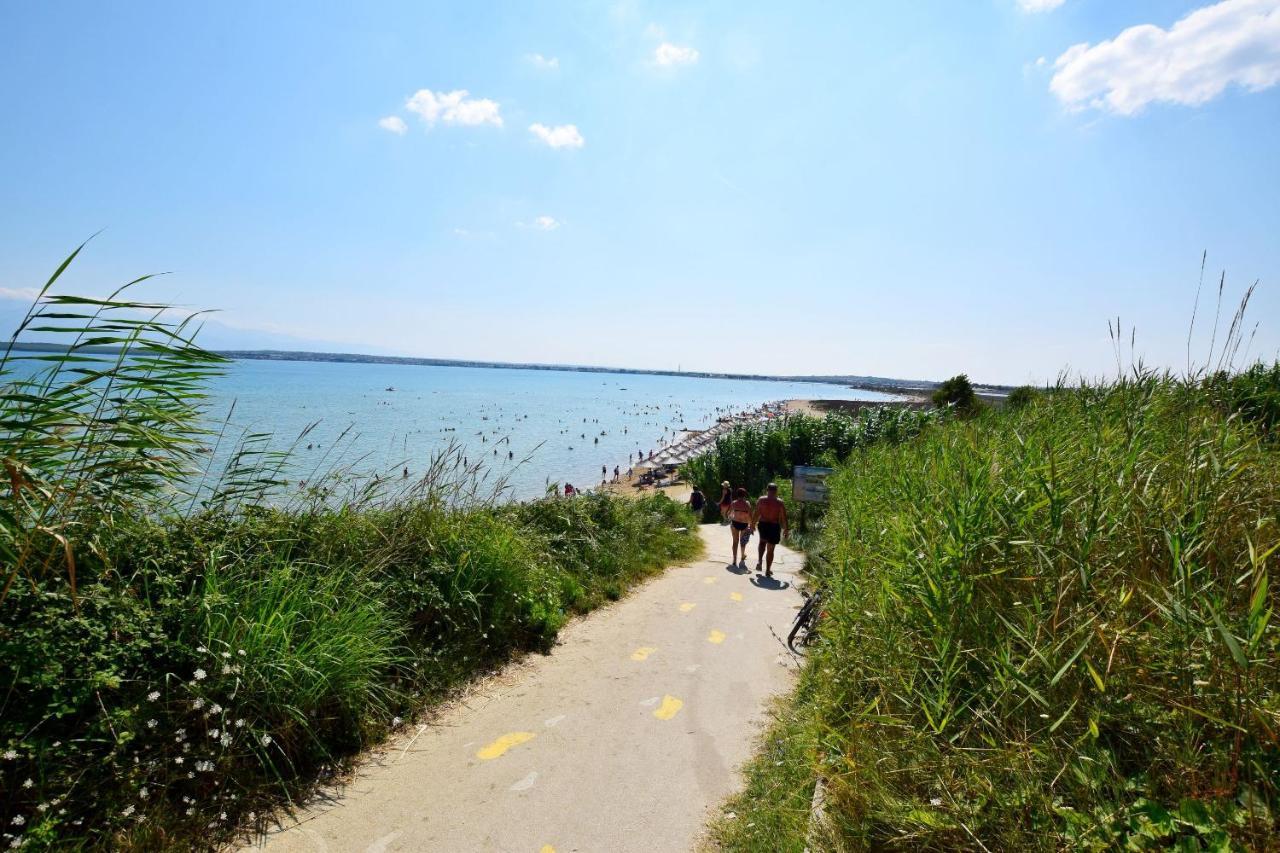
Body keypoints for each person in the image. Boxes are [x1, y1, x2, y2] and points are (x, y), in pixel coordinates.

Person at [753, 482, 789, 577]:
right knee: (771, 549)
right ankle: (768, 570)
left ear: (767, 490)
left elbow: (756, 513)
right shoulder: (779, 502)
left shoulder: (761, 500)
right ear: (776, 491)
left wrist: (752, 525)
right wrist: (786, 529)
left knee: (762, 543)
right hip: (774, 526)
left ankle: (760, 562)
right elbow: (784, 517)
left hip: (763, 524)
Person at [728, 487, 754, 568]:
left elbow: (729, 513)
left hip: (735, 523)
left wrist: (732, 517)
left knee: (735, 542)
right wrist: (751, 525)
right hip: (744, 524)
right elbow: (750, 515)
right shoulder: (747, 504)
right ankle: (742, 555)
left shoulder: (734, 503)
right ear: (745, 495)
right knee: (742, 542)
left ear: (737, 494)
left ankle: (734, 560)